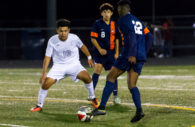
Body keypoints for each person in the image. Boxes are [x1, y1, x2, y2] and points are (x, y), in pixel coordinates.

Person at [92, 0, 153, 123]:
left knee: (110, 77)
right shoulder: (138, 21)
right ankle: (139, 111)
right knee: (132, 85)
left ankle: (102, 107)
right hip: (139, 56)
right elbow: (149, 37)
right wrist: (143, 53)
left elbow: (130, 36)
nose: (118, 11)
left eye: (119, 9)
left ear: (124, 9)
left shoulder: (123, 20)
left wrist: (131, 54)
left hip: (127, 55)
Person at [30, 19, 99, 112]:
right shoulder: (52, 40)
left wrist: (89, 57)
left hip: (74, 65)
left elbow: (83, 47)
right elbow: (47, 57)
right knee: (45, 84)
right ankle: (39, 105)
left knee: (87, 78)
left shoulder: (74, 38)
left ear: (69, 30)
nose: (63, 33)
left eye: (65, 31)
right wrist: (44, 73)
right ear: (57, 30)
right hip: (59, 66)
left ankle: (93, 98)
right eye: (61, 31)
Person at [90, 3, 121, 104]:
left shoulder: (114, 24)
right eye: (104, 12)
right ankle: (91, 94)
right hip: (99, 53)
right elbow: (93, 38)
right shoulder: (97, 23)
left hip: (111, 53)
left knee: (113, 73)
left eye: (108, 12)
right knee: (98, 68)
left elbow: (117, 39)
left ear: (111, 13)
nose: (106, 14)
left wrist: (116, 52)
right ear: (101, 14)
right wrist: (99, 49)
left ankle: (115, 96)